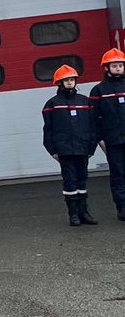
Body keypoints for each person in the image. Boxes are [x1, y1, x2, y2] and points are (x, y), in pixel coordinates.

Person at [43, 65, 99, 226]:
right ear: (59, 83)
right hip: (64, 150)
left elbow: (92, 126)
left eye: (72, 79)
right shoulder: (52, 104)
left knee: (82, 181)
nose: (70, 82)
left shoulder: (84, 101)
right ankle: (73, 214)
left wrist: (91, 147)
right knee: (69, 182)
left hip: (82, 148)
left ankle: (84, 213)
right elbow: (48, 130)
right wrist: (53, 150)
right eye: (66, 80)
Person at [91, 48, 125, 220]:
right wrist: (100, 139)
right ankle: (122, 208)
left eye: (120, 65)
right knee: (118, 173)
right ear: (106, 68)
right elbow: (94, 118)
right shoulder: (99, 90)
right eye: (114, 65)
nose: (118, 68)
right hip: (112, 140)